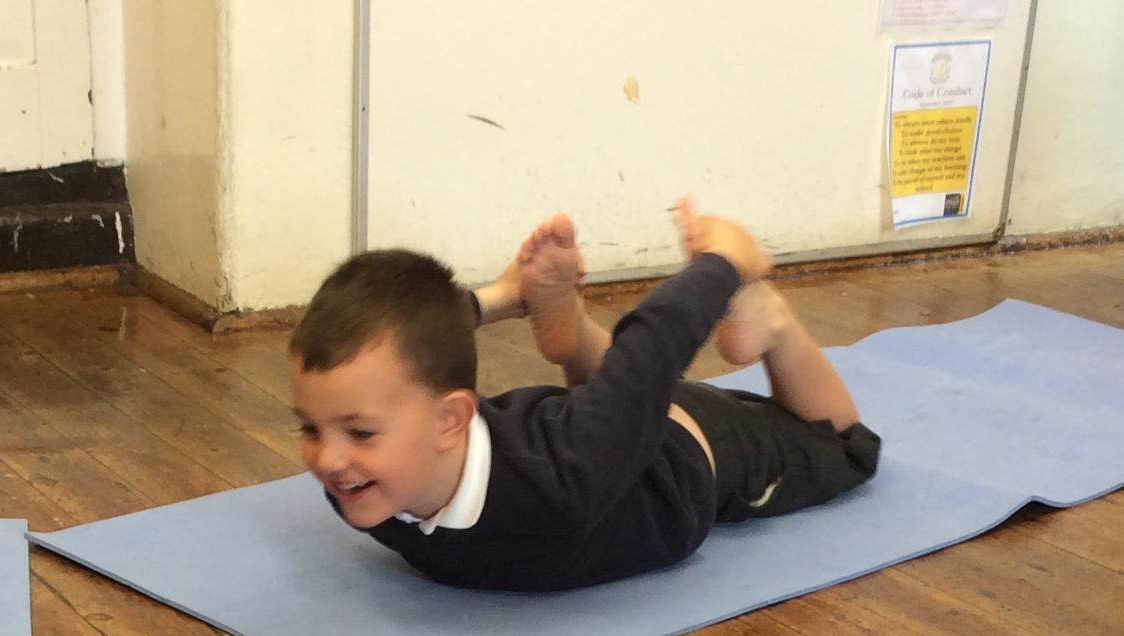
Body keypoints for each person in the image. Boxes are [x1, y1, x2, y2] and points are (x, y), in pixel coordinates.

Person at [288, 201, 882, 592]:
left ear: (450, 421)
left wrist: (722, 264)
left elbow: (653, 346)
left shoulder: (561, 486)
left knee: (849, 447)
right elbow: (413, 336)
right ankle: (570, 335)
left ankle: (774, 323)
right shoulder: (363, 485)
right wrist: (499, 297)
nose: (328, 459)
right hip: (575, 432)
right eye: (310, 428)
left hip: (678, 460)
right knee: (609, 407)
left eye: (359, 433)